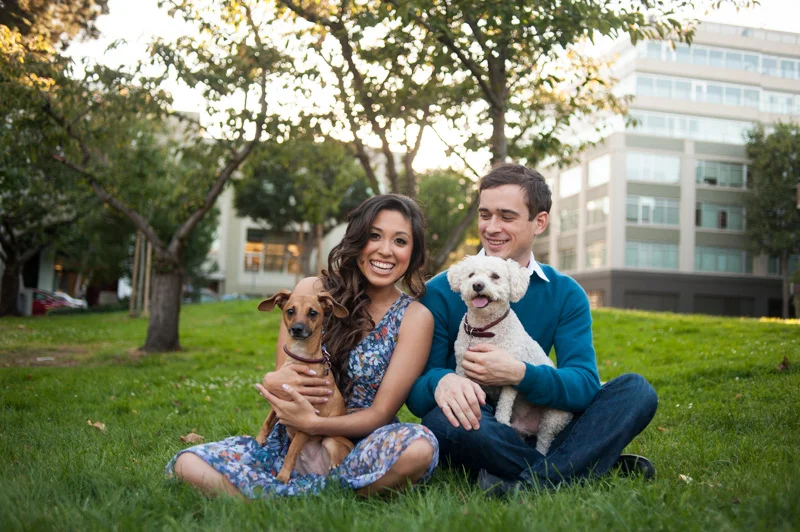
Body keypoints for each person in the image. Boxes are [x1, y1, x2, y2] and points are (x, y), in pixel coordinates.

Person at [406, 163, 658, 495]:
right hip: (481, 423)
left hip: (539, 418)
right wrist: (442, 380)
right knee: (441, 421)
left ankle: (527, 481)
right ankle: (584, 464)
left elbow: (583, 384)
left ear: (539, 221)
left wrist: (520, 373)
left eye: (506, 217)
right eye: (485, 215)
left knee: (636, 392)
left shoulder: (565, 292)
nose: (492, 227)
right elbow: (416, 395)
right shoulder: (442, 290)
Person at [167, 194, 438, 498]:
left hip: (364, 444)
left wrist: (315, 423)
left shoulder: (415, 317)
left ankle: (279, 496)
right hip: (295, 439)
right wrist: (276, 387)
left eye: (400, 241)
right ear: (358, 239)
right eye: (374, 236)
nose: (385, 250)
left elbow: (380, 414)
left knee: (419, 448)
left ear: (412, 252)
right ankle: (322, 494)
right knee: (188, 464)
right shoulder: (311, 291)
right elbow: (282, 377)